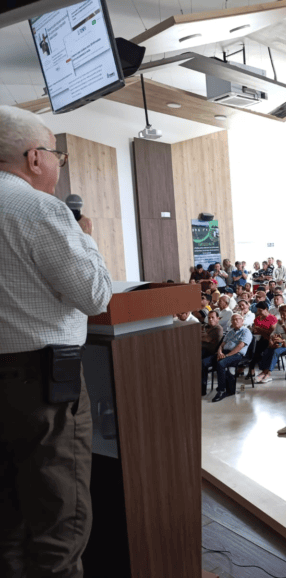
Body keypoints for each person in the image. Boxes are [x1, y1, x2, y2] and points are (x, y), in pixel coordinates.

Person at [0, 105, 113, 578]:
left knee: (8, 521)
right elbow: (94, 295)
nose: (57, 165)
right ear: (33, 157)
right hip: (42, 383)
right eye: (56, 155)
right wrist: (85, 237)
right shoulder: (37, 207)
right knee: (58, 525)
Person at [212, 313, 253, 402]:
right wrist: (219, 352)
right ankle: (229, 385)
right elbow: (222, 344)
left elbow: (240, 346)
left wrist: (226, 356)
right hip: (224, 353)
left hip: (237, 354)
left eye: (237, 319)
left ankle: (221, 391)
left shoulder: (246, 331)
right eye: (233, 320)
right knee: (205, 362)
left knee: (221, 363)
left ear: (242, 321)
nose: (235, 321)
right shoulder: (230, 332)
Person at [255, 304, 286, 383]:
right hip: (279, 342)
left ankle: (268, 373)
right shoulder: (280, 321)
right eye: (280, 314)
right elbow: (274, 332)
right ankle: (264, 371)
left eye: (284, 314)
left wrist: (283, 326)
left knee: (276, 351)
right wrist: (272, 338)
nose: (282, 316)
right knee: (267, 350)